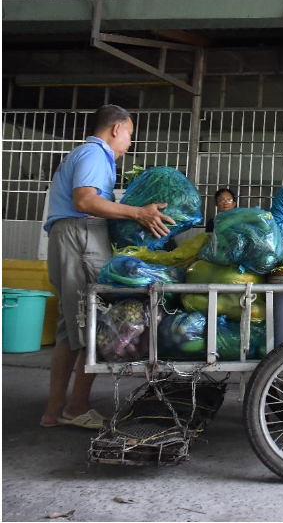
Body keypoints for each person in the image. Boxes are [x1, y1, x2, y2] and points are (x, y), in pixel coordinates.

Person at [40, 105, 174, 430]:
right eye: (129, 135)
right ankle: (76, 408)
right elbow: (84, 201)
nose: (129, 144)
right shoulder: (94, 154)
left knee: (67, 329)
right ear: (116, 129)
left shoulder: (84, 155)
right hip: (80, 237)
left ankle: (55, 410)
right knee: (92, 324)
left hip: (70, 237)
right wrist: (137, 213)